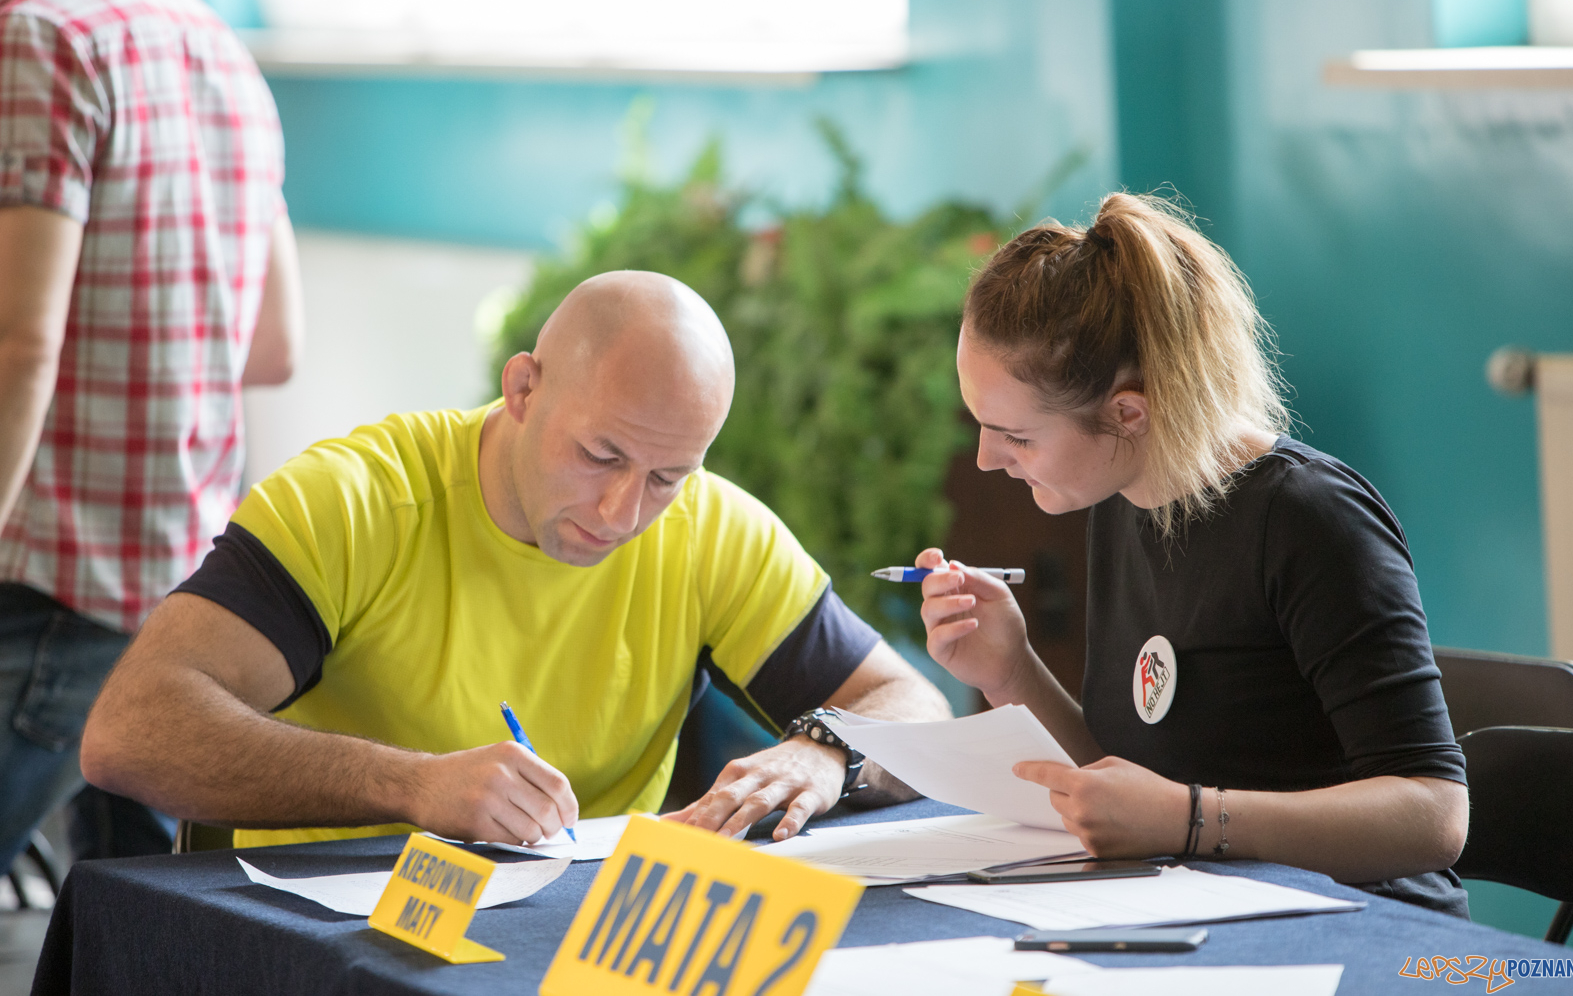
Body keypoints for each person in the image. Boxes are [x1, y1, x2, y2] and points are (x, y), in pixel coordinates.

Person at [81, 271, 949, 849]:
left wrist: (826, 752)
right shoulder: (357, 500)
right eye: (601, 456)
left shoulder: (712, 528)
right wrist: (409, 784)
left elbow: (912, 703)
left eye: (667, 477)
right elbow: (129, 733)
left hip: (568, 941)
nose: (623, 512)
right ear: (523, 387)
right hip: (311, 928)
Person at [917, 192, 1471, 916]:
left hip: (1360, 930)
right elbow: (1129, 788)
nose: (989, 458)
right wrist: (1011, 669)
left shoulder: (1309, 517)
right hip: (1201, 913)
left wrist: (1190, 819)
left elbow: (1434, 815)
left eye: (1016, 436)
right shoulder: (1121, 497)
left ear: (1127, 412)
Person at [0, 0, 298, 872]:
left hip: (48, 583)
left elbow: (21, 341)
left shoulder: (42, 34)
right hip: (182, 589)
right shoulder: (222, 47)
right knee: (130, 935)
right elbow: (274, 348)